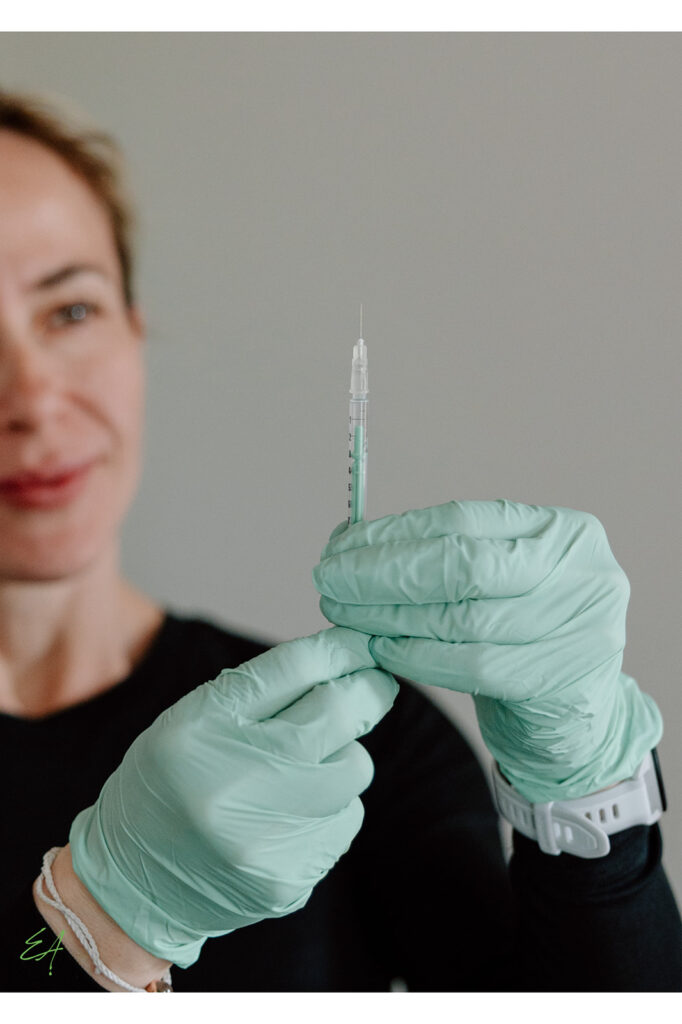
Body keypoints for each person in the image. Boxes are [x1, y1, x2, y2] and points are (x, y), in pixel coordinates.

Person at [0, 88, 680, 995]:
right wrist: (100, 924)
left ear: (134, 326)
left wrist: (589, 801)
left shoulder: (360, 752)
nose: (35, 398)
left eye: (71, 310)